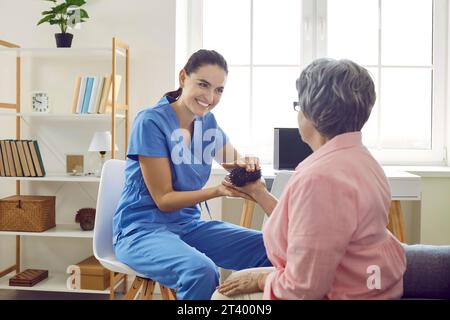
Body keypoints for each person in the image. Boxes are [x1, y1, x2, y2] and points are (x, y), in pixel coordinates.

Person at [214, 58, 406, 300]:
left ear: (314, 114)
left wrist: (261, 280)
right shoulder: (362, 160)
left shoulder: (321, 178)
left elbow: (304, 288)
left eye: (299, 106)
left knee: (223, 296)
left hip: (343, 291)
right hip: (364, 283)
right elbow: (311, 229)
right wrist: (259, 193)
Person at [113, 49, 271, 300]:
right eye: (203, 85)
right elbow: (164, 200)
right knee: (201, 272)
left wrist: (248, 163)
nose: (210, 97)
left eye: (219, 90)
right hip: (142, 230)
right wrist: (218, 190)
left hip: (189, 226)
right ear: (183, 77)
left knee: (272, 247)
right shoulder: (151, 122)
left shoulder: (208, 123)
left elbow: (234, 162)